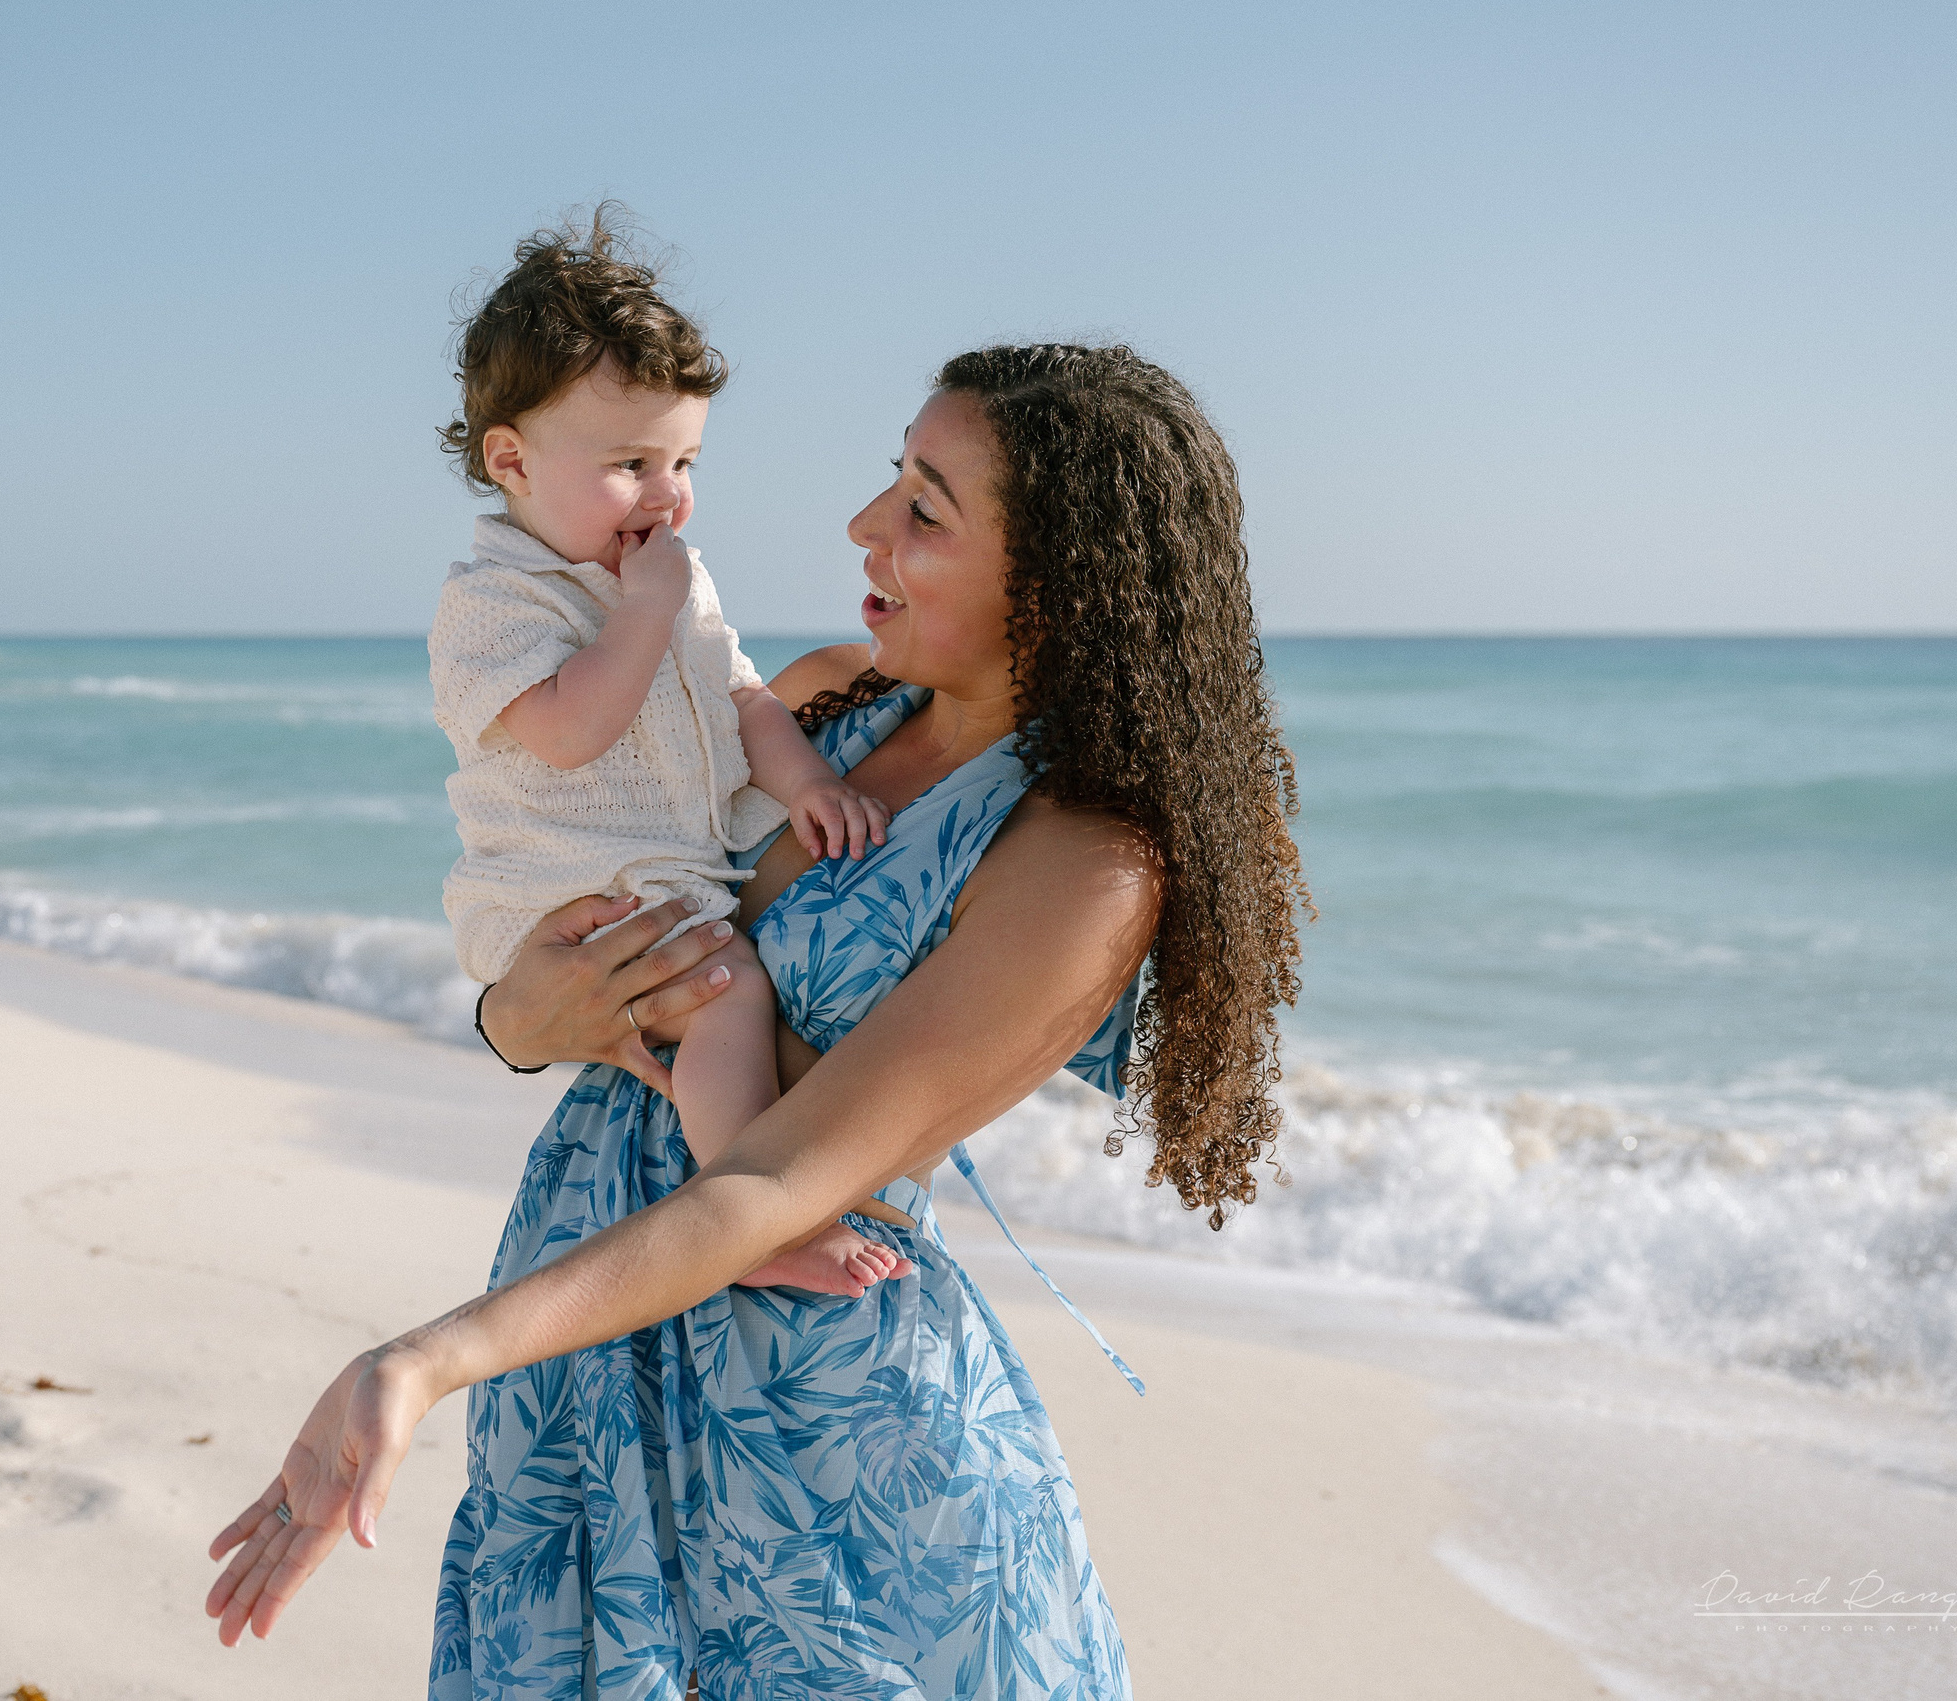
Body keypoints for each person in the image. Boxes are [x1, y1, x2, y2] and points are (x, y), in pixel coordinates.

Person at [207, 343, 1309, 1698]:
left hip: (818, 1418)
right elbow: (580, 888)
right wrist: (524, 1014)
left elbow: (776, 1176)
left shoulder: (1080, 859)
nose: (863, 525)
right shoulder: (821, 702)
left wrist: (427, 1354)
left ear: (1062, 581)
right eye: (890, 477)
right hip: (587, 1343)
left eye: (925, 505)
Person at [432, 209, 903, 1297]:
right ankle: (745, 1215)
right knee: (731, 993)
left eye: (683, 460)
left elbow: (743, 698)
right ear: (511, 458)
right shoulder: (492, 601)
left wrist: (808, 783)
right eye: (631, 462)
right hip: (564, 888)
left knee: (728, 989)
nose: (667, 493)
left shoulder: (668, 580)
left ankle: (740, 1200)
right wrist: (643, 611)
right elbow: (566, 730)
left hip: (655, 873)